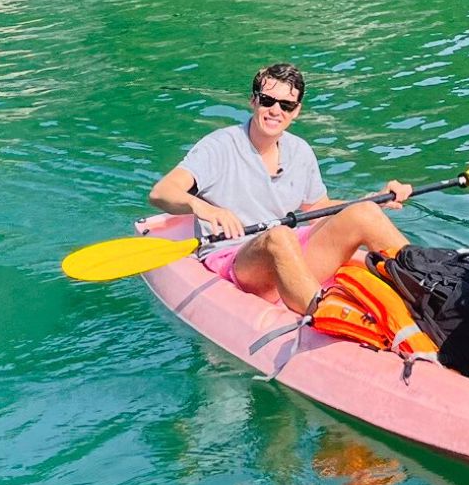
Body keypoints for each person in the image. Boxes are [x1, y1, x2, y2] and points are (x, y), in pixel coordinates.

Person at [149, 62, 412, 314]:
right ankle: (323, 314)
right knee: (279, 236)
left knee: (365, 213)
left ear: (296, 111)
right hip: (237, 258)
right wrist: (203, 207)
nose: (276, 111)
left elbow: (318, 208)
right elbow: (161, 193)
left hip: (288, 251)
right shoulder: (218, 146)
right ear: (254, 101)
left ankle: (427, 286)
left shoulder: (300, 150)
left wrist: (375, 200)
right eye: (267, 101)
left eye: (286, 105)